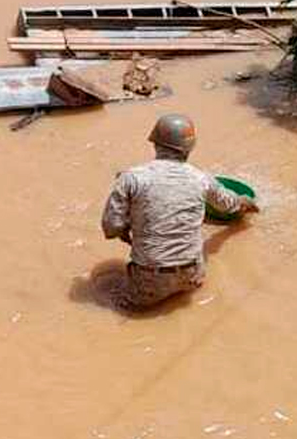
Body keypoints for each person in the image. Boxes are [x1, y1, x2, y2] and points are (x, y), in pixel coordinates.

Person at [100, 114, 258, 310]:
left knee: (122, 305)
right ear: (189, 148)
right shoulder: (202, 179)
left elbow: (110, 227)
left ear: (155, 143)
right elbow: (231, 205)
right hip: (192, 275)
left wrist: (126, 227)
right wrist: (246, 202)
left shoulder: (131, 178)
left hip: (149, 279)